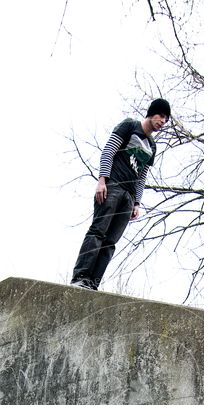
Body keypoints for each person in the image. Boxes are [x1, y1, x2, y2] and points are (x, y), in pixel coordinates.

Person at [70, 98, 171, 290]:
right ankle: (80, 277)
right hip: (113, 185)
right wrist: (102, 180)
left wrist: (137, 203)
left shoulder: (152, 146)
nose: (163, 121)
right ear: (152, 112)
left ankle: (92, 283)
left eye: (166, 120)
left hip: (129, 197)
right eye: (161, 116)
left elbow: (142, 175)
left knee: (110, 242)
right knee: (98, 231)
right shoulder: (130, 126)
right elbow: (109, 151)